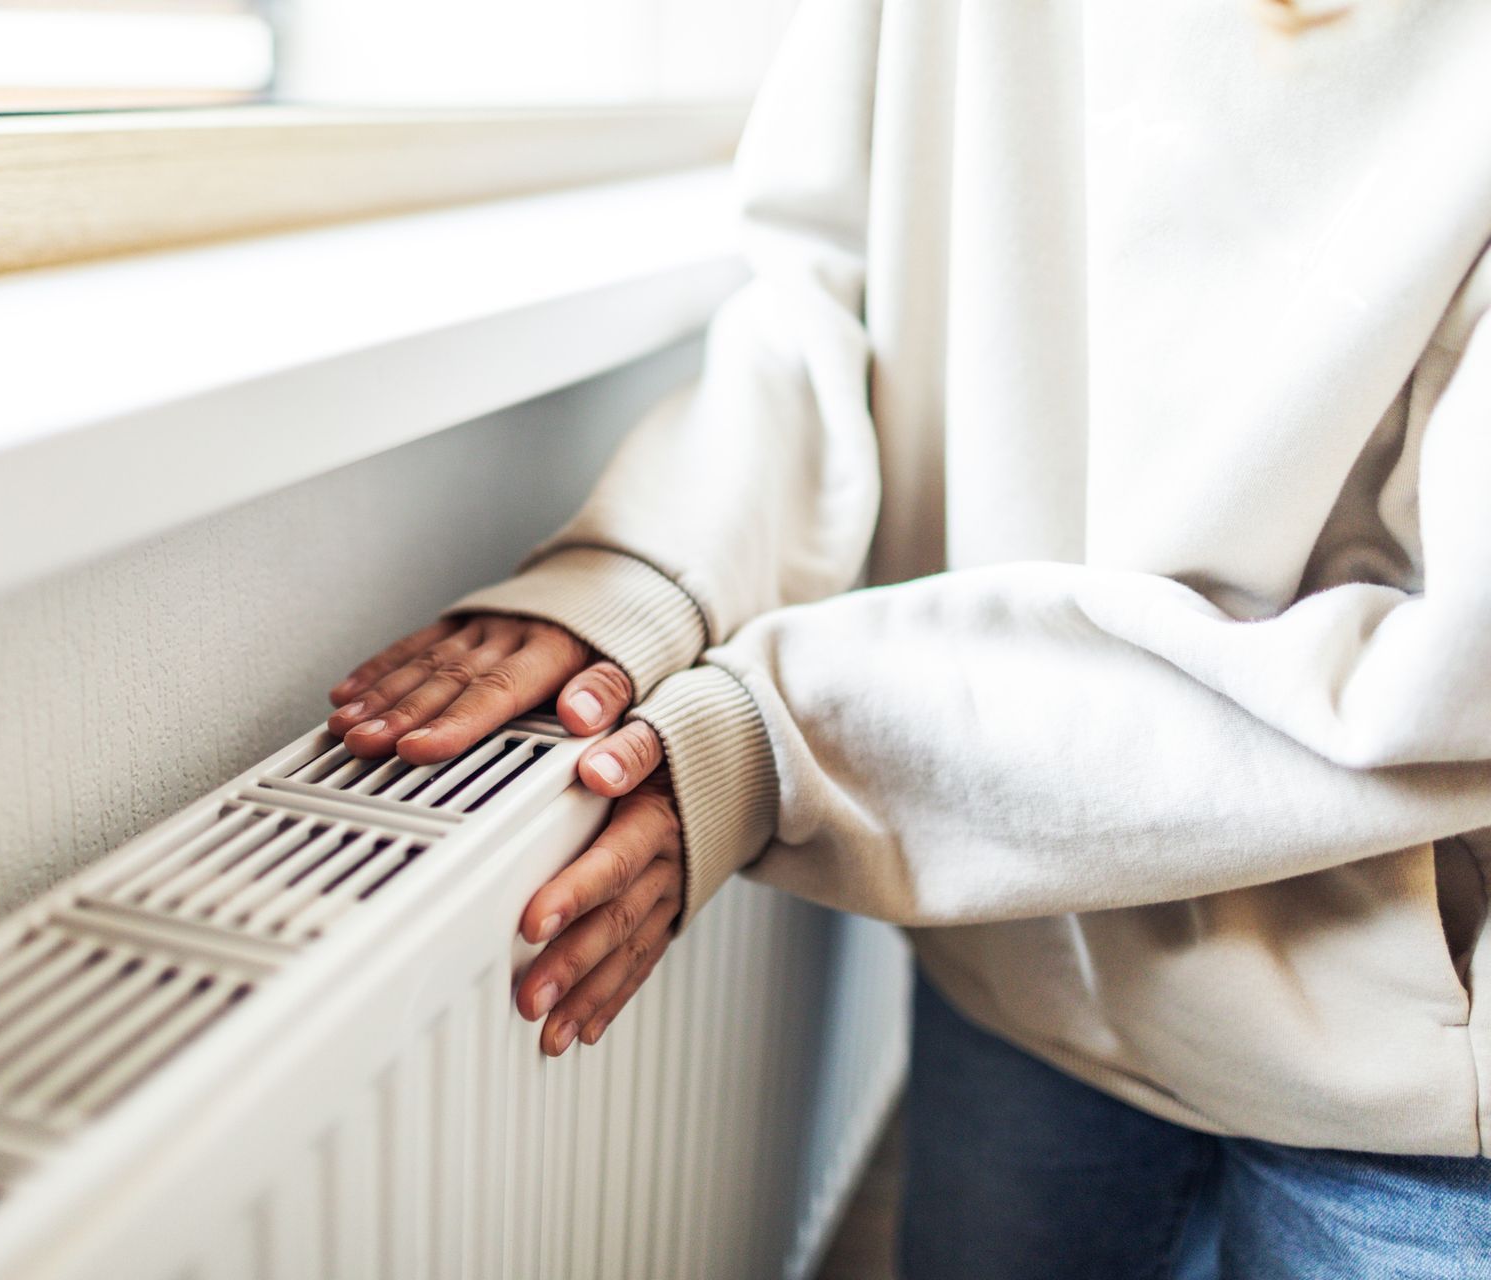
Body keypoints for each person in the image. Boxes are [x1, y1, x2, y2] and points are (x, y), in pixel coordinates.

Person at [324, 1, 1491, 1275]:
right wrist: (638, 575)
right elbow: (829, 290)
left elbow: (1452, 671)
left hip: (1416, 1098)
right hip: (1024, 957)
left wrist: (789, 736)